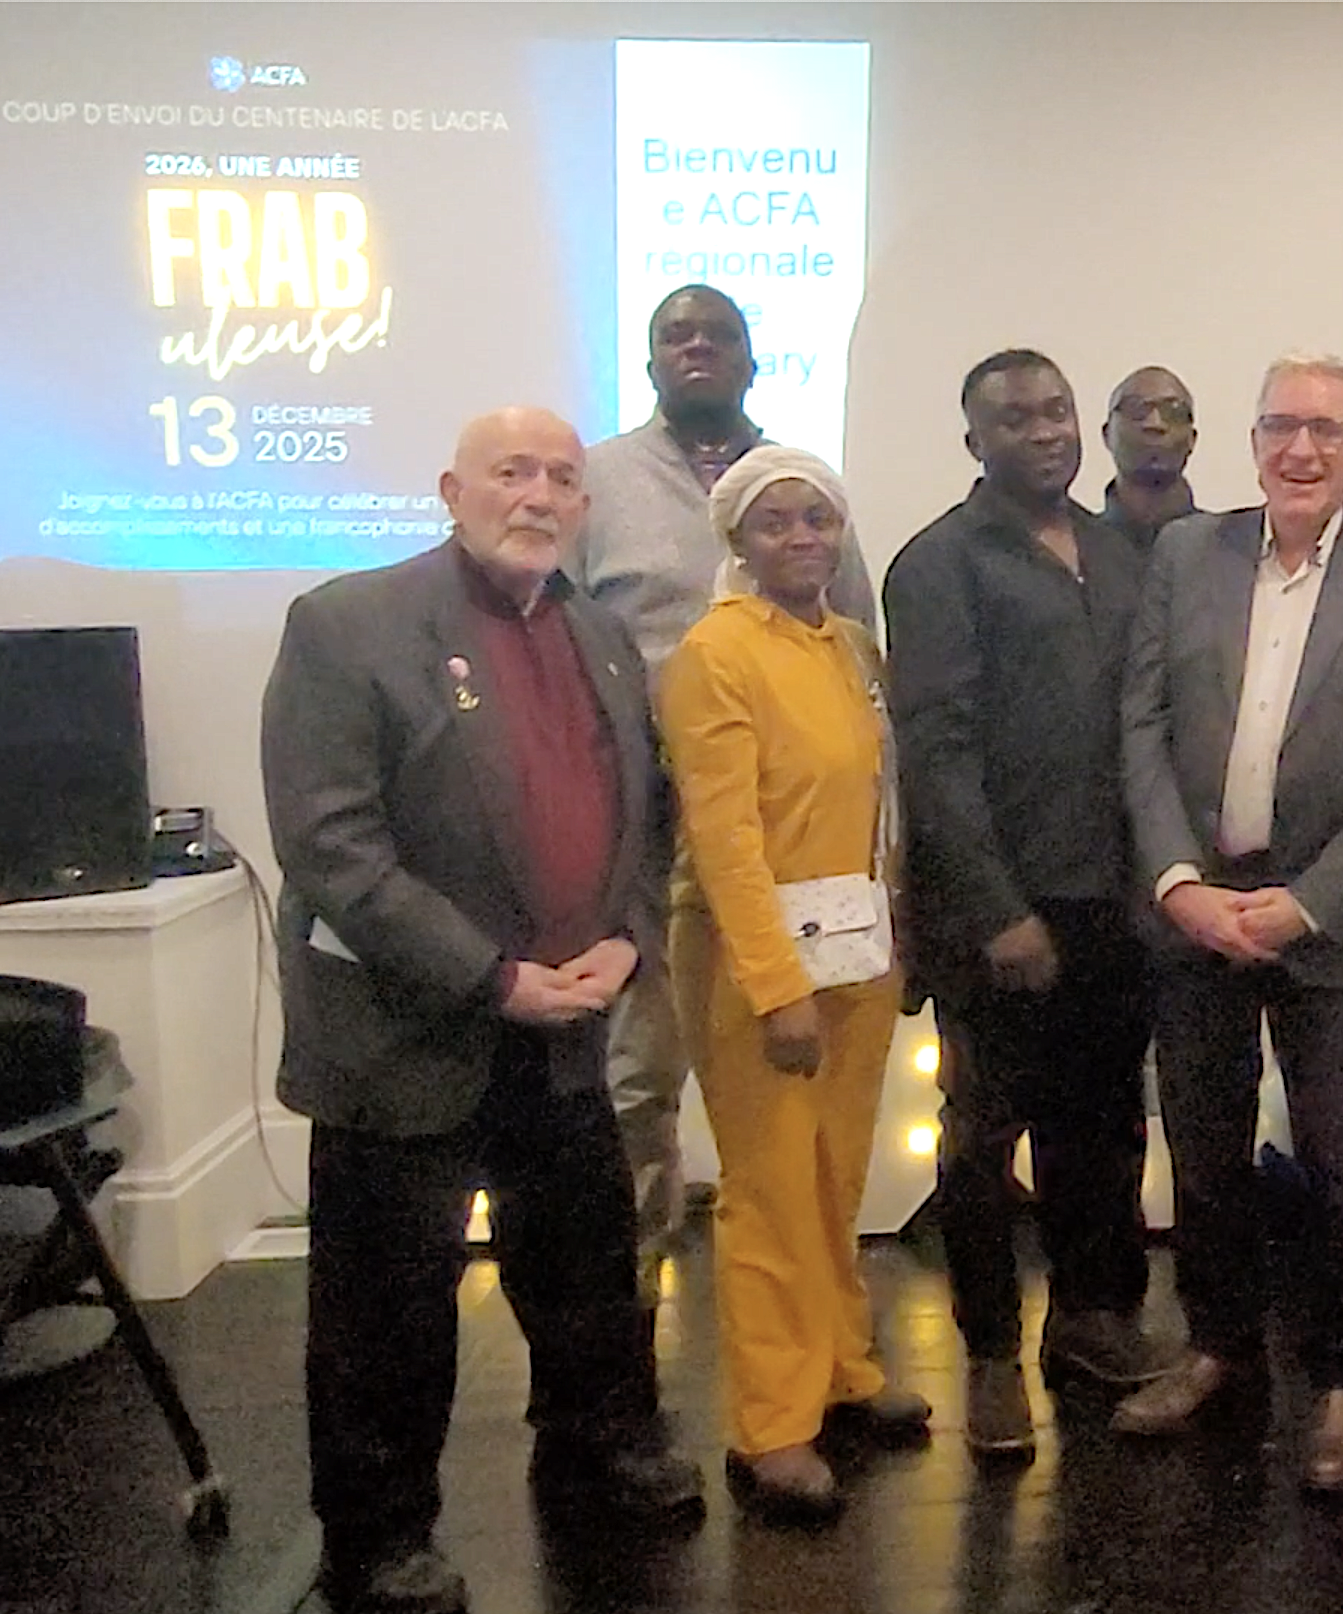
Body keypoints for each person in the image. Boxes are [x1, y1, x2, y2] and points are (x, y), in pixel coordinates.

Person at [263, 408, 702, 1614]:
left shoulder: (600, 634)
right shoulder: (345, 623)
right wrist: (490, 977)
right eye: (512, 472)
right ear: (452, 490)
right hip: (405, 1036)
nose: (539, 495)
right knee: (385, 1314)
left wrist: (627, 938)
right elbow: (331, 847)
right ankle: (377, 1537)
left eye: (562, 477)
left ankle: (596, 1451)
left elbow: (646, 814)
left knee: (587, 1269)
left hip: (566, 1022)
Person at [1115, 352, 1343, 1494]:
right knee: (1203, 1151)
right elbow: (1142, 727)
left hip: (1336, 923)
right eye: (1279, 427)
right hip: (1199, 913)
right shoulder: (1185, 554)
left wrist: (1311, 903)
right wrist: (1178, 882)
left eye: (1325, 431)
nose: (1300, 450)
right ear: (1252, 441)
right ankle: (1218, 1347)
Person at [885, 350, 1177, 1461]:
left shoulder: (1119, 552)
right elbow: (937, 753)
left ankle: (1091, 1324)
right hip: (997, 909)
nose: (1044, 432)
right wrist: (998, 909)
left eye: (1057, 412)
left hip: (1113, 899)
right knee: (980, 1141)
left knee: (1100, 1129)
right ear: (974, 441)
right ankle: (990, 1357)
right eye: (1015, 419)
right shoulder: (937, 563)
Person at [573, 282, 877, 1320]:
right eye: (676, 335)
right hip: (642, 835)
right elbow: (561, 639)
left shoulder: (801, 488)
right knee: (637, 1078)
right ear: (649, 361)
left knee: (802, 1097)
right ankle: (629, 1322)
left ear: (753, 360)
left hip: (789, 845)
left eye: (719, 335)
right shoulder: (599, 482)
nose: (696, 348)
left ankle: (818, 1331)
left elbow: (854, 648)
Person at [659, 445, 930, 1522]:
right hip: (755, 968)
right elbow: (723, 842)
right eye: (776, 522)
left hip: (856, 957)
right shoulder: (713, 654)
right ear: (737, 539)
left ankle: (842, 1370)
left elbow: (878, 804)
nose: (801, 538)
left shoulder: (850, 645)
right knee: (770, 1190)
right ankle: (772, 1425)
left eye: (817, 518)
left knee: (832, 1180)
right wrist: (777, 988)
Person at [1100, 365, 1200, 552]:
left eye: (1173, 411)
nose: (1155, 423)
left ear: (1192, 439)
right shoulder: (1075, 547)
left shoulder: (1225, 549)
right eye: (1135, 408)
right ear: (1107, 434)